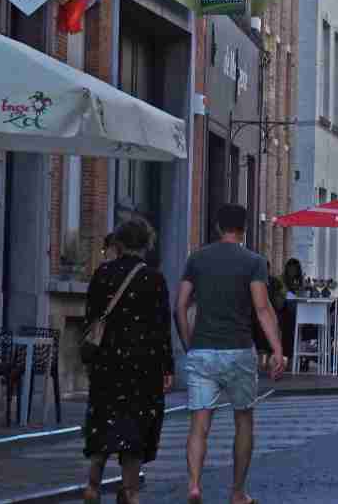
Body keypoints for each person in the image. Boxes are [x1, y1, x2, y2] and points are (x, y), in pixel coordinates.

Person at [175, 204, 284, 504]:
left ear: (218, 227)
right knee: (244, 421)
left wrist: (188, 343)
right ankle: (237, 492)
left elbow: (180, 305)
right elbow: (262, 308)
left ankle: (194, 485)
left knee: (199, 424)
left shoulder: (196, 259)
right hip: (238, 350)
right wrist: (277, 349)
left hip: (202, 350)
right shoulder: (254, 262)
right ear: (244, 229)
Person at [82, 219, 174, 504]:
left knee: (103, 423)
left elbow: (91, 317)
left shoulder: (102, 274)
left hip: (106, 363)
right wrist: (168, 367)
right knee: (135, 429)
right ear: (147, 244)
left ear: (118, 244)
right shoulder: (154, 279)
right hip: (142, 366)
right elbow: (161, 327)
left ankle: (92, 486)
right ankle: (130, 492)